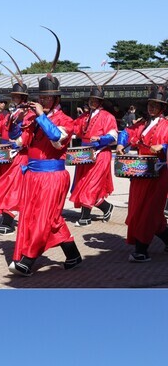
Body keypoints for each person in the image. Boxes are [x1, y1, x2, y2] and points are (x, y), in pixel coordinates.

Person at [9, 57, 82, 276]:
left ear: (57, 98)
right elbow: (18, 140)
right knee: (46, 218)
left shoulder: (66, 120)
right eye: (41, 97)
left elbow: (56, 138)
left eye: (48, 97)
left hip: (52, 175)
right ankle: (73, 254)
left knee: (42, 218)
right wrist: (16, 120)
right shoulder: (33, 118)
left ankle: (29, 259)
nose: (43, 100)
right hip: (32, 174)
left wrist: (40, 115)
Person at [116, 81, 168, 262]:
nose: (152, 107)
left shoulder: (166, 125)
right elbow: (126, 132)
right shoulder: (142, 124)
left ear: (162, 108)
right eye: (150, 104)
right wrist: (121, 144)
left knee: (149, 212)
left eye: (156, 105)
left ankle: (141, 250)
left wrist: (163, 146)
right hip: (139, 173)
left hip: (160, 175)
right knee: (138, 210)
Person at [0, 77, 34, 235]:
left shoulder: (29, 114)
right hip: (7, 155)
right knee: (5, 187)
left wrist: (17, 142)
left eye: (18, 96)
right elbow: (1, 126)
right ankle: (9, 220)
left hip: (19, 156)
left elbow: (26, 135)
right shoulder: (12, 113)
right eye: (14, 96)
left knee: (12, 187)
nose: (14, 98)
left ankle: (8, 223)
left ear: (24, 97)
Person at [70, 76, 117, 226]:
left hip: (100, 154)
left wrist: (100, 139)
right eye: (91, 99)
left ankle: (85, 217)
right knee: (83, 183)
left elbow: (113, 136)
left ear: (100, 102)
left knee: (91, 184)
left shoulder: (108, 116)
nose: (92, 102)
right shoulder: (84, 117)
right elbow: (73, 128)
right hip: (84, 154)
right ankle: (107, 207)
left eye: (95, 100)